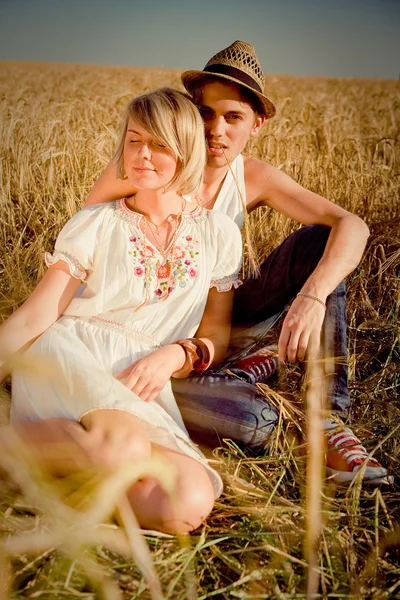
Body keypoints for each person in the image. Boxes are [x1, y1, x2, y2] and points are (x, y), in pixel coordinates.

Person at [84, 41, 391, 485]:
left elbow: (352, 226)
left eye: (234, 117)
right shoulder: (146, 166)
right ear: (190, 112)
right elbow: (81, 238)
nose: (216, 130)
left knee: (319, 242)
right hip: (145, 338)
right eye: (206, 113)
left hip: (216, 320)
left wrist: (312, 295)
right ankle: (248, 377)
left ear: (257, 124)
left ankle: (325, 420)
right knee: (257, 419)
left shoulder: (251, 177)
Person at [0, 88, 243, 533]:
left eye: (159, 144)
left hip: (141, 379)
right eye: (134, 140)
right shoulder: (95, 223)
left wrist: (178, 354)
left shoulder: (220, 234)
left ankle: (42, 471)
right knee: (120, 450)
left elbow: (216, 335)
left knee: (183, 504)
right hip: (73, 355)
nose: (142, 155)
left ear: (186, 150)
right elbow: (37, 315)